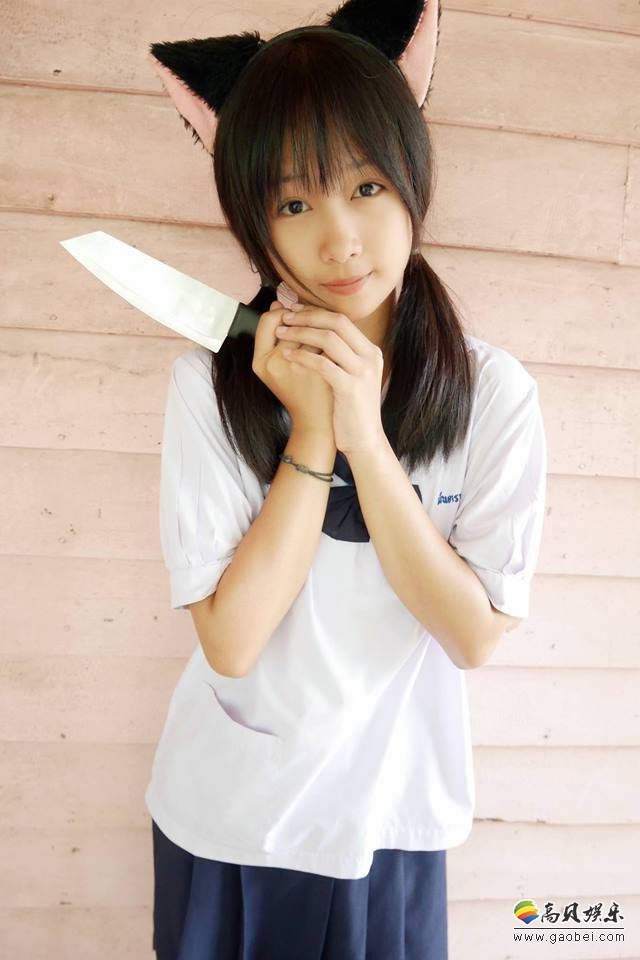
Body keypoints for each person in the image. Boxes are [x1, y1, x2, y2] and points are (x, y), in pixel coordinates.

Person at [145, 2, 548, 957]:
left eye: (366, 186)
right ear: (255, 223)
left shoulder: (494, 394)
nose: (341, 241)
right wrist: (315, 434)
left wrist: (366, 437)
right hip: (230, 815)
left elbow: (472, 635)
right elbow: (232, 641)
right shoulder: (208, 387)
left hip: (395, 814)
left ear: (412, 175)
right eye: (294, 204)